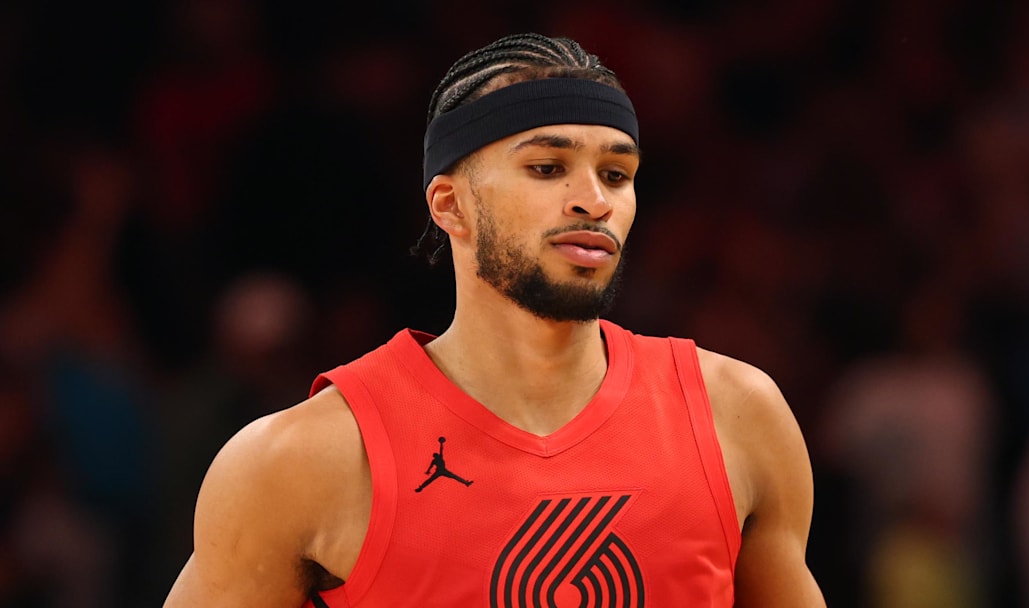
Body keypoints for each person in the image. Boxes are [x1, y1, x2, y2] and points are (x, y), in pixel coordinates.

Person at [163, 32, 825, 607]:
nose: (593, 200)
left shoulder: (737, 416)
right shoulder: (303, 459)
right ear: (451, 207)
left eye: (616, 174)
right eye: (548, 167)